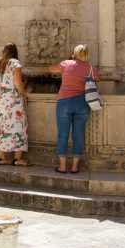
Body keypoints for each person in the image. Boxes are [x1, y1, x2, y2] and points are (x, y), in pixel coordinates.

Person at [50, 45, 97, 174]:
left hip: (64, 102)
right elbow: (96, 79)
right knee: (78, 135)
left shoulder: (66, 63)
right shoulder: (90, 68)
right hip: (82, 103)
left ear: (74, 53)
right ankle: (75, 167)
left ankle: (62, 166)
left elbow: (51, 69)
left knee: (63, 134)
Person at [0, 43, 29, 166]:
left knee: (1, 127)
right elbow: (18, 84)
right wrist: (25, 93)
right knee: (18, 126)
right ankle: (17, 159)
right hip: (13, 100)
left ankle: (1, 157)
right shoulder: (15, 64)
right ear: (15, 52)